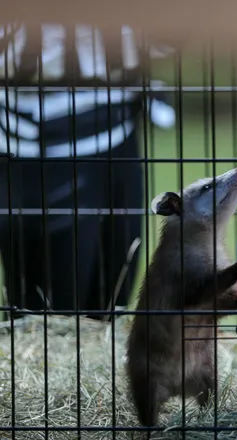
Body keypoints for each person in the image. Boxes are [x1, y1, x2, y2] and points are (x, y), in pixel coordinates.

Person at [0, 23, 176, 317]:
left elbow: (165, 39)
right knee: (45, 311)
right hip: (34, 144)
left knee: (111, 291)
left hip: (117, 129)